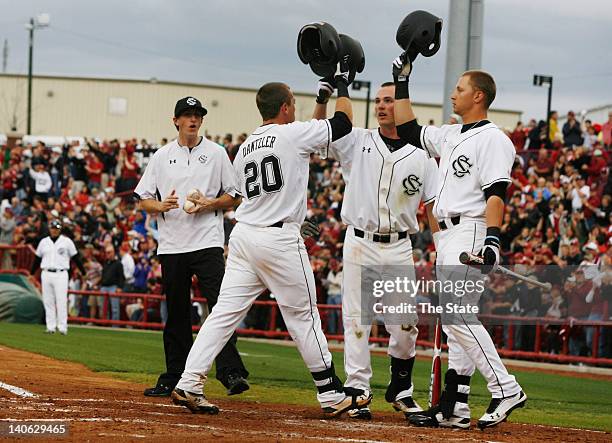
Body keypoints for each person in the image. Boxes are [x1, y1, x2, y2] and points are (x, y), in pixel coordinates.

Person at [172, 64, 370, 416]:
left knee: (222, 315)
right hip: (278, 239)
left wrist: (321, 98)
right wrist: (342, 86)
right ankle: (330, 394)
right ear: (285, 108)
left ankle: (189, 381)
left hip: (245, 236)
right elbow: (342, 126)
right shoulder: (292, 135)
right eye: (293, 102)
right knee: (303, 316)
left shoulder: (247, 144)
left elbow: (312, 138)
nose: (295, 108)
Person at [390, 54, 527, 429]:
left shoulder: (494, 139)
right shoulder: (451, 134)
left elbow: (497, 194)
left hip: (471, 229)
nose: (453, 95)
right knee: (454, 321)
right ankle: (455, 406)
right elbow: (408, 129)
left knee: (457, 315)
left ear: (478, 96)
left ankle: (506, 387)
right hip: (448, 233)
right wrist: (402, 80)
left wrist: (493, 240)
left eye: (460, 89)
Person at [313, 80, 439, 419]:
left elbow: (433, 206)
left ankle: (401, 387)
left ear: (403, 106)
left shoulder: (424, 154)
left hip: (398, 246)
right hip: (359, 242)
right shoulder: (358, 140)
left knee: (404, 323)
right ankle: (358, 388)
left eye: (389, 100)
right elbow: (318, 135)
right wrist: (325, 98)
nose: (382, 106)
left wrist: (441, 247)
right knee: (357, 320)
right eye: (380, 101)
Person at [134, 96, 249, 398]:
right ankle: (174, 376)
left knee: (221, 307)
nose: (192, 119)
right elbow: (143, 198)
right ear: (175, 121)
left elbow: (234, 195)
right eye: (186, 115)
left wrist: (211, 203)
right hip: (172, 245)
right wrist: (160, 205)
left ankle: (231, 372)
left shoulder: (217, 153)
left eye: (197, 114)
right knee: (177, 313)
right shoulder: (161, 156)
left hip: (208, 242)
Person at [30, 219, 86, 334]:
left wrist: (83, 272)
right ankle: (50, 326)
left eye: (57, 228)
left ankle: (62, 327)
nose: (54, 230)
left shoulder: (66, 242)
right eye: (53, 228)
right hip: (46, 272)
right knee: (48, 301)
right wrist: (31, 273)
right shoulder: (44, 242)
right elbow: (37, 259)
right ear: (49, 229)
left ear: (60, 229)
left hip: (61, 273)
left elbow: (76, 258)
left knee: (61, 300)